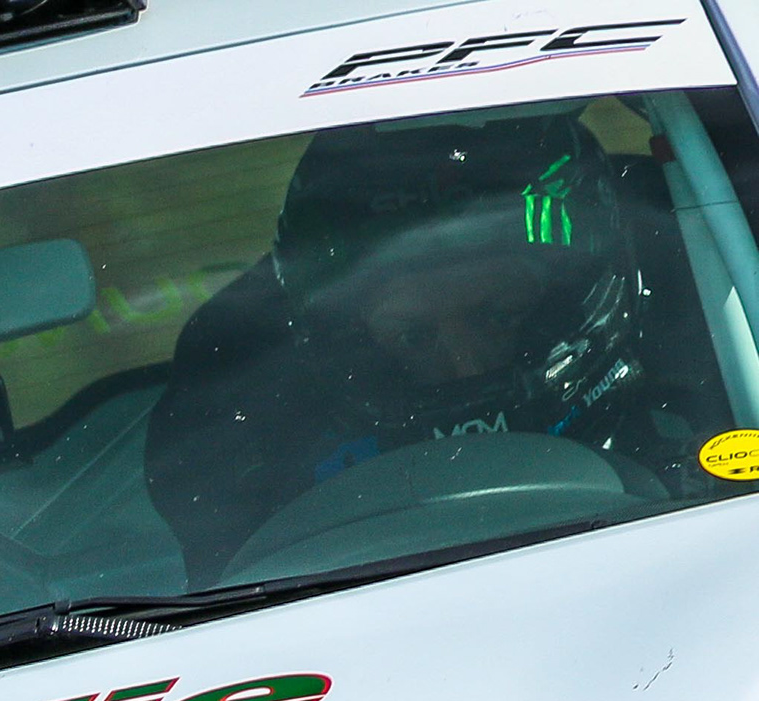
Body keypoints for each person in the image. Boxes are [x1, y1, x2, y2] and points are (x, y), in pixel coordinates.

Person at [146, 112, 684, 583]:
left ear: (564, 304)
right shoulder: (258, 467)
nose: (464, 367)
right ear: (356, 343)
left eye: (497, 317)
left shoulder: (714, 378)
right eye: (414, 337)